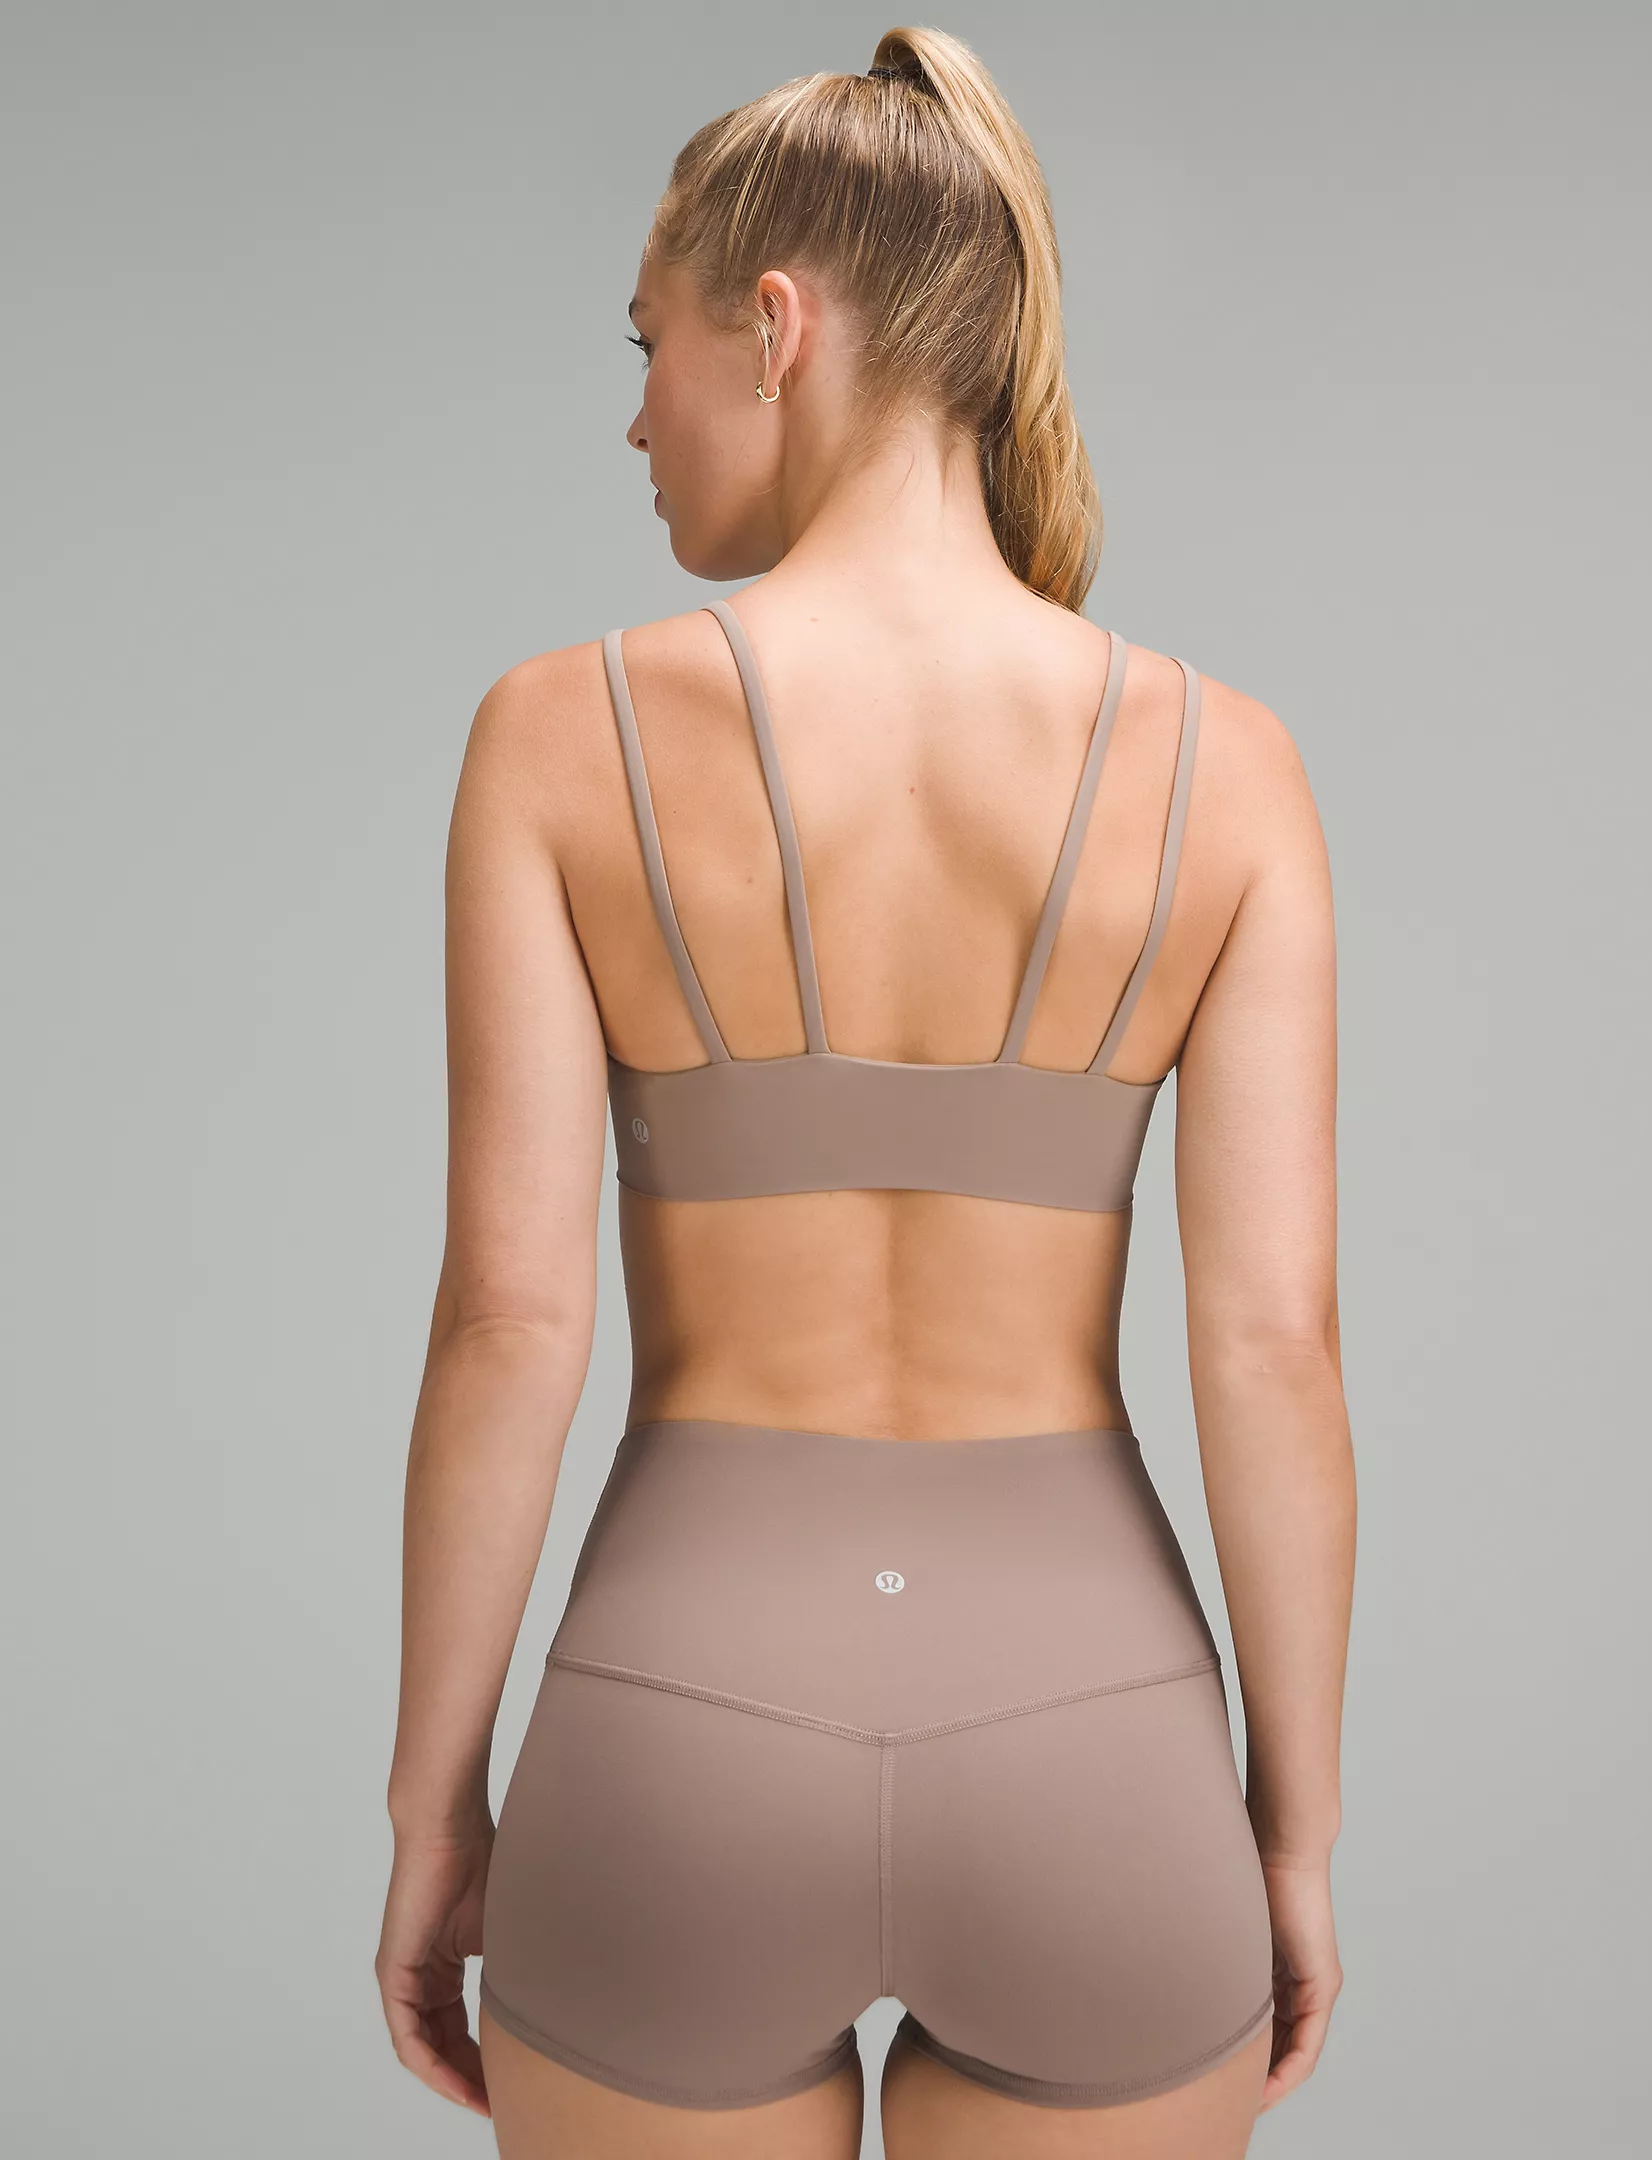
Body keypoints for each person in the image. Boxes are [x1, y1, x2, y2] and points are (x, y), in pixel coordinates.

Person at [376, 25, 1355, 2160]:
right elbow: (1272, 1349)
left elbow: (511, 1322)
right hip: (1097, 1752)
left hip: (677, 1743)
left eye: (649, 342)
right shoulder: (1231, 770)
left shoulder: (556, 737)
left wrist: (435, 1811)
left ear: (778, 325)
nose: (635, 414)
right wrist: (1289, 1831)